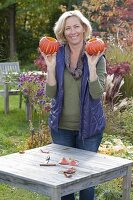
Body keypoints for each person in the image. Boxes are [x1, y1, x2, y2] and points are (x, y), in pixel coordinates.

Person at [40, 10, 106, 200]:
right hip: (61, 128)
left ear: (84, 28)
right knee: (64, 182)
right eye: (67, 28)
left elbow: (96, 94)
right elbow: (50, 93)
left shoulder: (96, 54)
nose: (72, 31)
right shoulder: (56, 54)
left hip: (90, 128)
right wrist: (51, 68)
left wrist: (92, 67)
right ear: (63, 32)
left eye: (76, 26)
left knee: (86, 182)